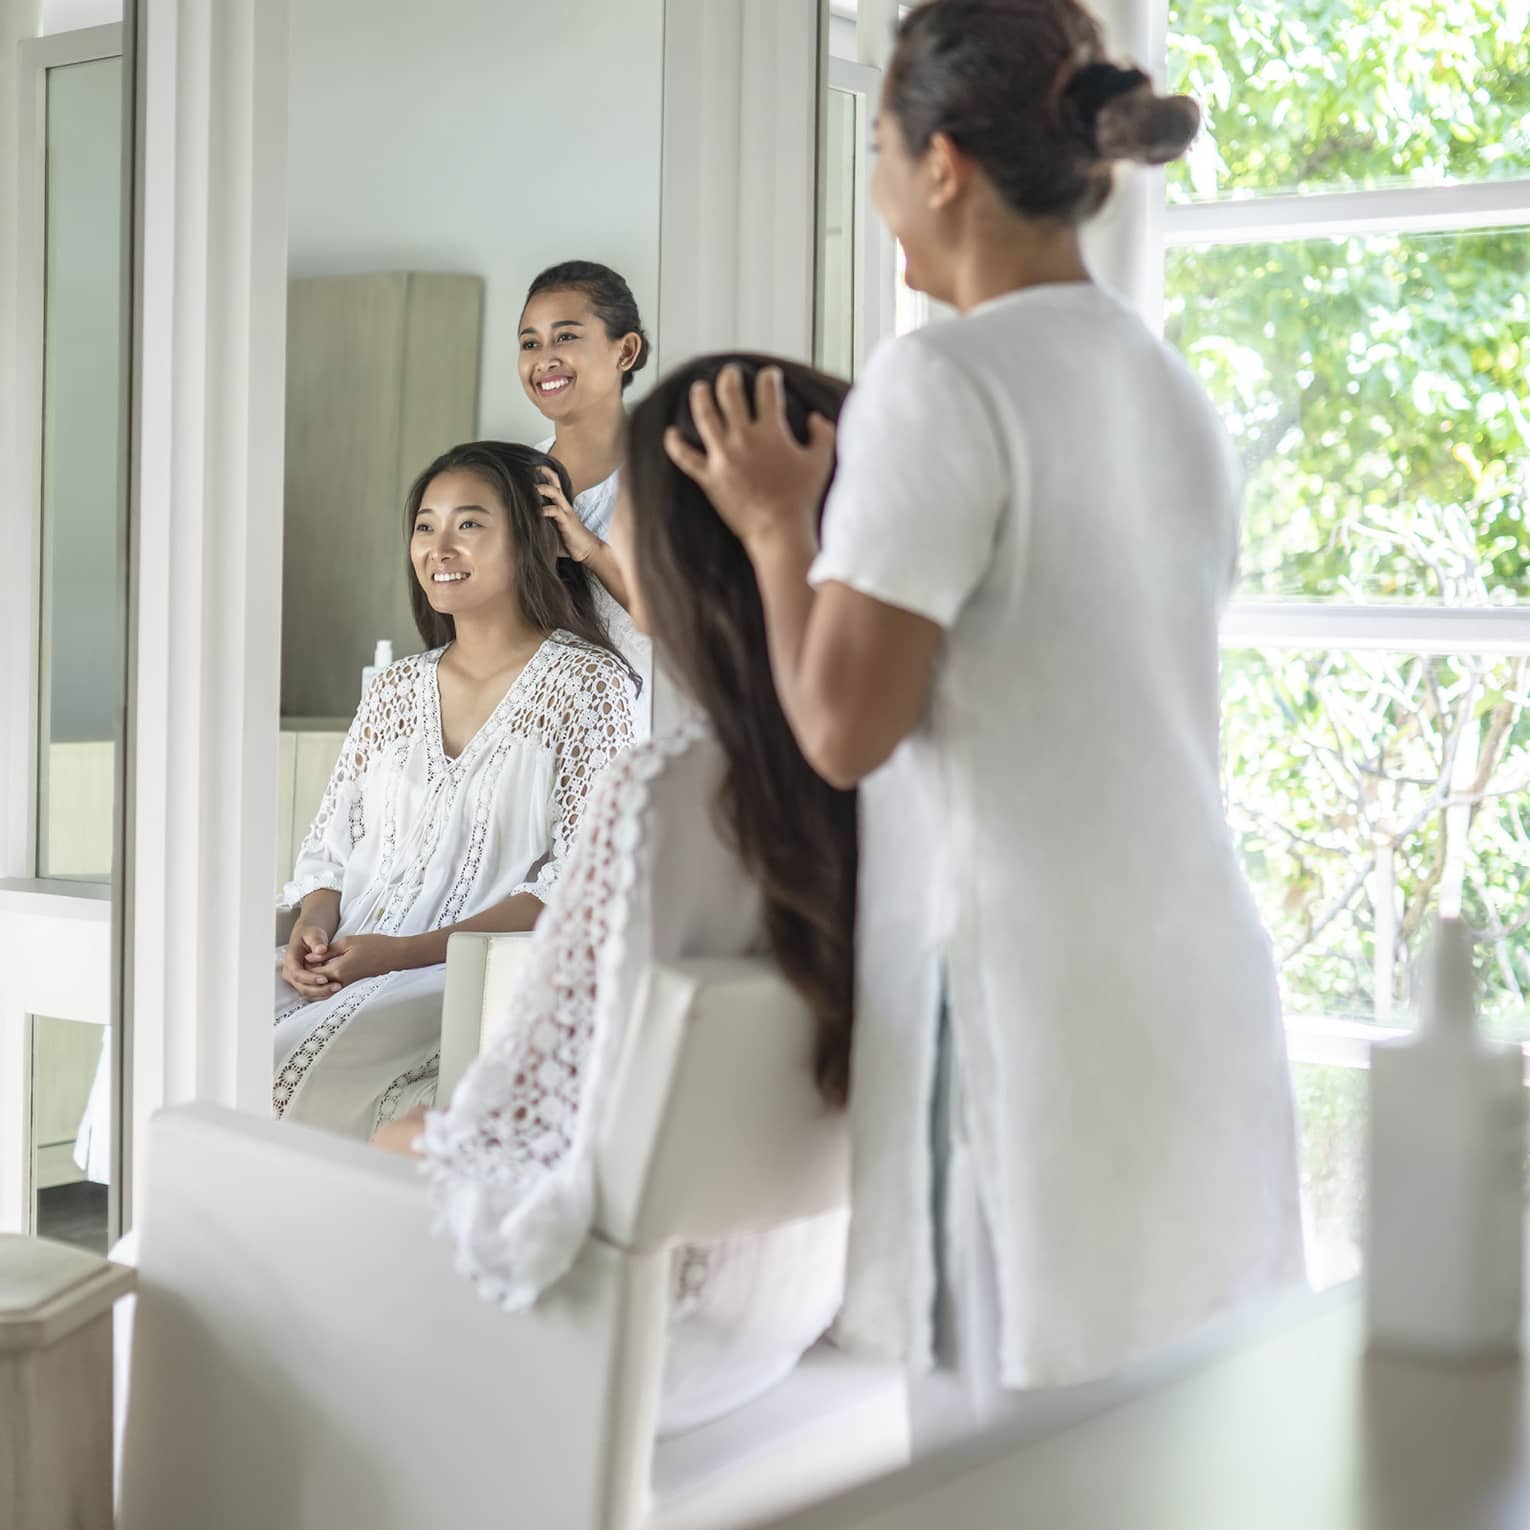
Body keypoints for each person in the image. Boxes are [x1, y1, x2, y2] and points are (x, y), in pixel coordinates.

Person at [665, 0, 1305, 1438]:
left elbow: (840, 725)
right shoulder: (1166, 387)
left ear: (940, 163)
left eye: (878, 148)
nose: (877, 183)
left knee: (1006, 1467)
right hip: (1194, 993)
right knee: (1179, 1453)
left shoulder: (939, 382)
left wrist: (777, 525)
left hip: (1026, 1020)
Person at [375, 358, 856, 1437]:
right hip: (782, 1317)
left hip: (622, 1336)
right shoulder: (884, 790)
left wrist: (412, 1140)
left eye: (623, 517)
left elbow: (522, 1133)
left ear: (683, 553)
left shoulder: (663, 792)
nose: (601, 549)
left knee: (382, 1145)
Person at [273, 442, 639, 1139]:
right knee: (179, 1043)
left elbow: (581, 884)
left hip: (471, 980)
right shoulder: (394, 690)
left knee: (269, 1070)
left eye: (469, 524)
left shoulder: (590, 686)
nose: (439, 546)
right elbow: (328, 851)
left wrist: (404, 953)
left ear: (530, 540)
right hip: (348, 960)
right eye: (425, 525)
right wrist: (312, 928)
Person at [518, 259, 652, 685]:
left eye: (566, 337)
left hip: (648, 732)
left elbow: (693, 624)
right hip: (540, 737)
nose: (544, 359)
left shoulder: (672, 474)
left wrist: (590, 550)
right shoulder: (513, 479)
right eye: (530, 343)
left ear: (625, 351)